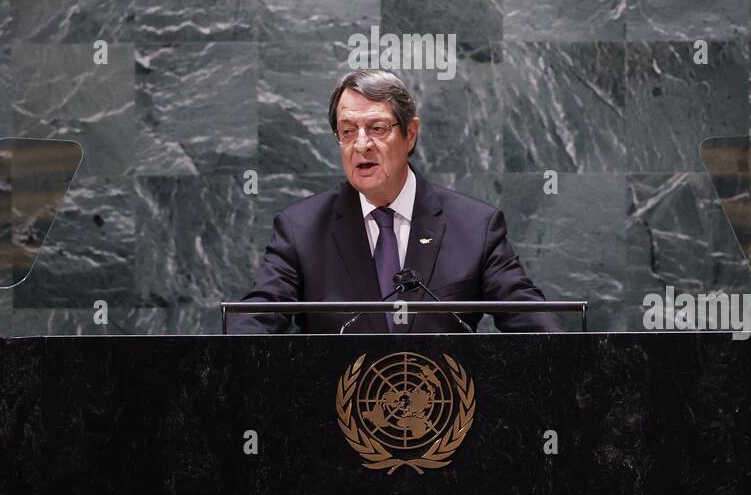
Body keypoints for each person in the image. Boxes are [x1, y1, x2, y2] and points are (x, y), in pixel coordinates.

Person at [232, 70, 563, 334]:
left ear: (410, 134)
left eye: (377, 128)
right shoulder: (301, 230)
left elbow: (533, 321)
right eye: (347, 131)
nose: (361, 145)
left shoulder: (475, 227)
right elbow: (257, 318)